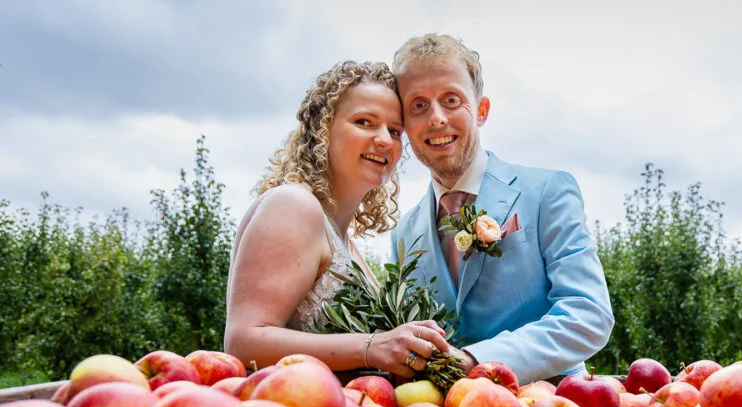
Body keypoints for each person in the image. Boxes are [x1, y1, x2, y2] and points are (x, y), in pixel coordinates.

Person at [389, 33, 615, 385]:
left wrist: (476, 360)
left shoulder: (548, 192)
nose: (436, 118)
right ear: (404, 126)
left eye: (451, 100)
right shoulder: (403, 234)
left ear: (481, 111)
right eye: (418, 106)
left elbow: (589, 314)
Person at [224, 60, 450, 378]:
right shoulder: (293, 206)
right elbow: (243, 342)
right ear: (323, 130)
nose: (385, 139)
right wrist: (372, 346)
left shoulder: (345, 241)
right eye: (365, 121)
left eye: (395, 130)